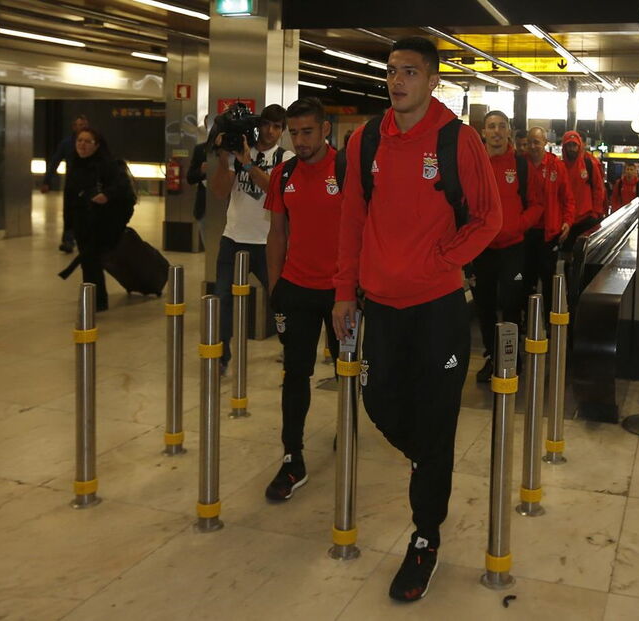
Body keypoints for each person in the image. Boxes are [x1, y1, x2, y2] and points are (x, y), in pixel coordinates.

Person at [332, 36, 501, 602]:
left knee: (436, 417)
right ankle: (429, 462)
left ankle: (425, 536)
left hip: (437, 311)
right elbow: (352, 218)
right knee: (378, 401)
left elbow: (487, 218)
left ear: (432, 80)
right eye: (391, 71)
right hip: (379, 305)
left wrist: (440, 261)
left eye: (410, 71)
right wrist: (343, 292)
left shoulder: (458, 140)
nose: (397, 80)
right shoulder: (364, 141)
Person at [263, 97, 341, 501]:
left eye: (307, 131)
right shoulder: (284, 173)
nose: (299, 140)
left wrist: (355, 289)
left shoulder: (346, 171)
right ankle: (293, 458)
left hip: (341, 292)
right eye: (294, 133)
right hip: (296, 288)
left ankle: (348, 428)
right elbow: (277, 232)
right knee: (295, 376)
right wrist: (276, 286)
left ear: (325, 129)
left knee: (350, 372)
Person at [208, 104, 293, 375]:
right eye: (267, 124)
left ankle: (288, 346)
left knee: (280, 299)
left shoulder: (285, 157)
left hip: (268, 240)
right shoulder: (241, 148)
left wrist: (248, 164)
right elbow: (220, 192)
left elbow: (276, 192)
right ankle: (222, 356)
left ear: (283, 130)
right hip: (232, 237)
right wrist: (225, 159)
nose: (270, 131)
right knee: (222, 297)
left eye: (277, 126)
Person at [474, 110, 544, 383]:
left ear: (509, 131)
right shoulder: (475, 165)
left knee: (511, 303)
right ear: (483, 132)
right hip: (482, 249)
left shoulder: (521, 165)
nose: (496, 131)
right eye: (491, 126)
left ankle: (511, 358)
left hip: (513, 247)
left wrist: (517, 225)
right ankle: (493, 356)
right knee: (485, 305)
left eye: (501, 126)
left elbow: (537, 204)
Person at [65, 128, 135, 312]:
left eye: (88, 141)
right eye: (80, 140)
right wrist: (68, 226)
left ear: (97, 145)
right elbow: (69, 197)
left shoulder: (109, 166)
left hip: (103, 223)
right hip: (82, 223)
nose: (82, 145)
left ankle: (97, 301)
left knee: (91, 260)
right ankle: (93, 298)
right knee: (88, 263)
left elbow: (123, 190)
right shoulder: (74, 166)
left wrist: (106, 195)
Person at [524, 126, 574, 312]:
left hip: (549, 232)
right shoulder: (522, 165)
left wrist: (567, 222)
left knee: (547, 277)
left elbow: (568, 198)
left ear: (545, 143)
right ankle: (527, 318)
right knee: (526, 278)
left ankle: (547, 320)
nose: (533, 146)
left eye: (536, 142)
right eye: (530, 142)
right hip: (526, 232)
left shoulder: (556, 166)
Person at [42, 114, 89, 253]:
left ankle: (84, 240)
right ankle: (68, 241)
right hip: (72, 184)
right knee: (69, 213)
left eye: (83, 125)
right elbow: (55, 161)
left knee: (86, 213)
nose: (81, 127)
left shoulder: (94, 142)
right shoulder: (67, 143)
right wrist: (47, 181)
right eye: (79, 125)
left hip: (89, 184)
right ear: (74, 127)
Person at [561, 130, 606, 240]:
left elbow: (598, 188)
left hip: (586, 219)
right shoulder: (559, 166)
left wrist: (595, 213)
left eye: (574, 145)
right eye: (569, 145)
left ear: (579, 145)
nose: (572, 148)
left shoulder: (589, 163)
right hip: (567, 220)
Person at [186, 116, 210, 246]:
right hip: (204, 206)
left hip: (227, 208)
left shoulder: (232, 150)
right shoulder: (200, 150)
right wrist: (201, 171)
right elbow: (190, 178)